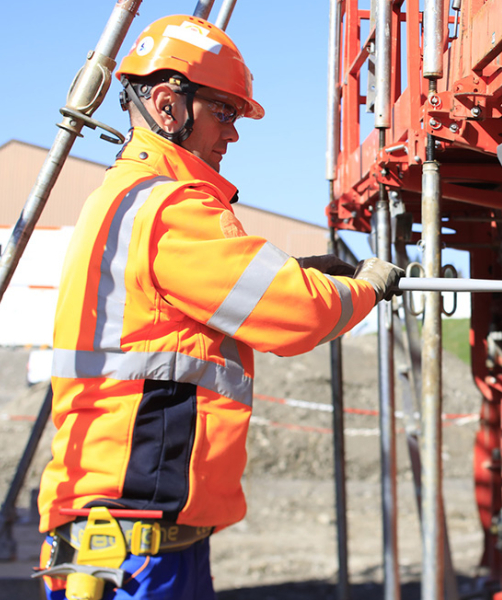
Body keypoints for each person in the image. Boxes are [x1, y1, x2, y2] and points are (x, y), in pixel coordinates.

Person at [36, 15, 403, 600]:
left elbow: (193, 309)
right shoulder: (172, 205)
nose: (233, 134)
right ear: (166, 104)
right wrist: (369, 287)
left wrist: (300, 273)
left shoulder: (131, 196)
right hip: (136, 540)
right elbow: (297, 314)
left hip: (121, 528)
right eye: (225, 112)